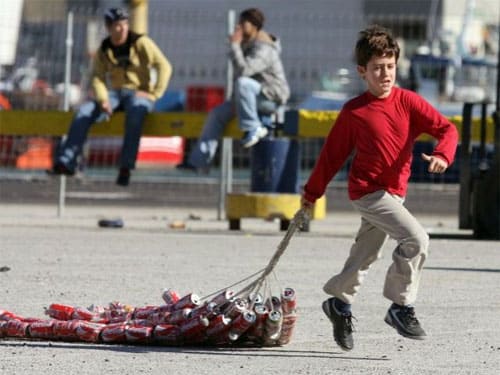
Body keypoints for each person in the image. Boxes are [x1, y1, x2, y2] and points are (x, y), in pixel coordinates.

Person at [301, 25, 459, 351]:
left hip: (395, 194)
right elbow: (331, 157)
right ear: (362, 71)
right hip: (368, 192)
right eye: (377, 68)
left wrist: (443, 154)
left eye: (390, 66)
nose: (385, 74)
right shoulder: (354, 112)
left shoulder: (409, 103)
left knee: (365, 254)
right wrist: (310, 195)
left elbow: (447, 130)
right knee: (416, 239)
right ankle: (400, 306)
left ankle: (339, 302)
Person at [49, 7, 172, 186]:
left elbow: (164, 66)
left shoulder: (140, 42)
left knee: (135, 116)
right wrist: (103, 98)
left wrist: (154, 94)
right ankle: (66, 161)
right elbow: (97, 76)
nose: (122, 29)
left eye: (124, 24)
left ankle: (126, 167)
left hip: (138, 93)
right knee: (84, 112)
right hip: (115, 94)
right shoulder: (104, 48)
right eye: (117, 25)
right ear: (108, 27)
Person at [177, 8, 290, 172]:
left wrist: (235, 46)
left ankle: (253, 127)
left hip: (271, 99)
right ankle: (199, 161)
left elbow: (244, 72)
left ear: (254, 26)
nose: (239, 27)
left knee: (244, 83)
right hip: (254, 99)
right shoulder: (248, 45)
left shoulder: (265, 49)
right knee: (217, 114)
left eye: (243, 23)